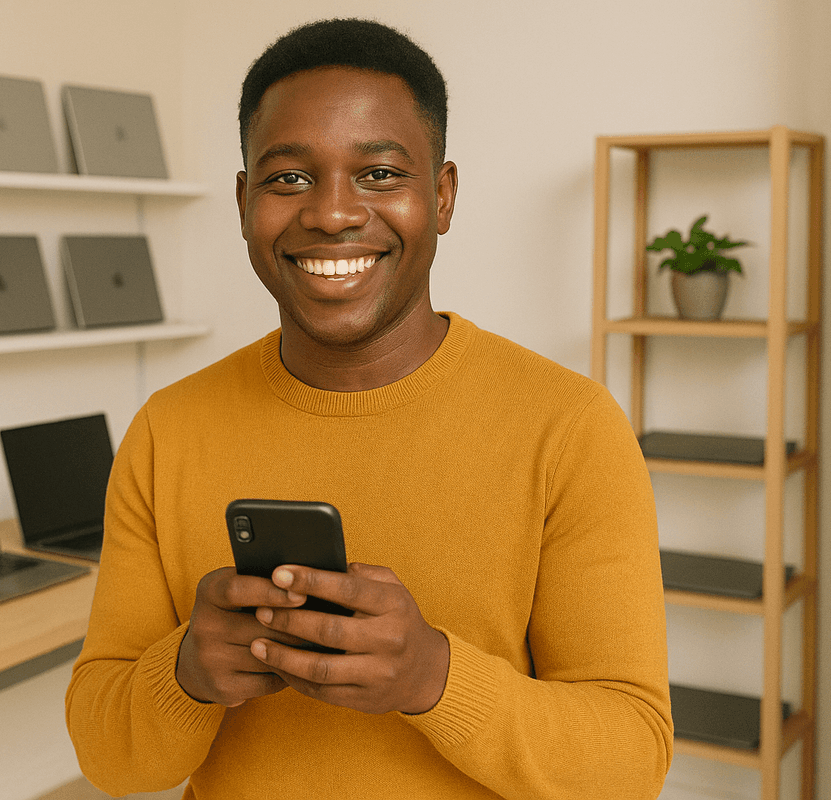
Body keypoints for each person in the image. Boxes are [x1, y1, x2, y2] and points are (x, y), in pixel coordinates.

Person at [66, 17, 672, 799]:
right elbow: (110, 761)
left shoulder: (571, 428)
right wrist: (183, 673)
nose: (331, 213)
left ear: (443, 195)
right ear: (245, 201)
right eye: (288, 179)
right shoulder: (167, 428)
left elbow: (630, 764)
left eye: (380, 174)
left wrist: (433, 676)